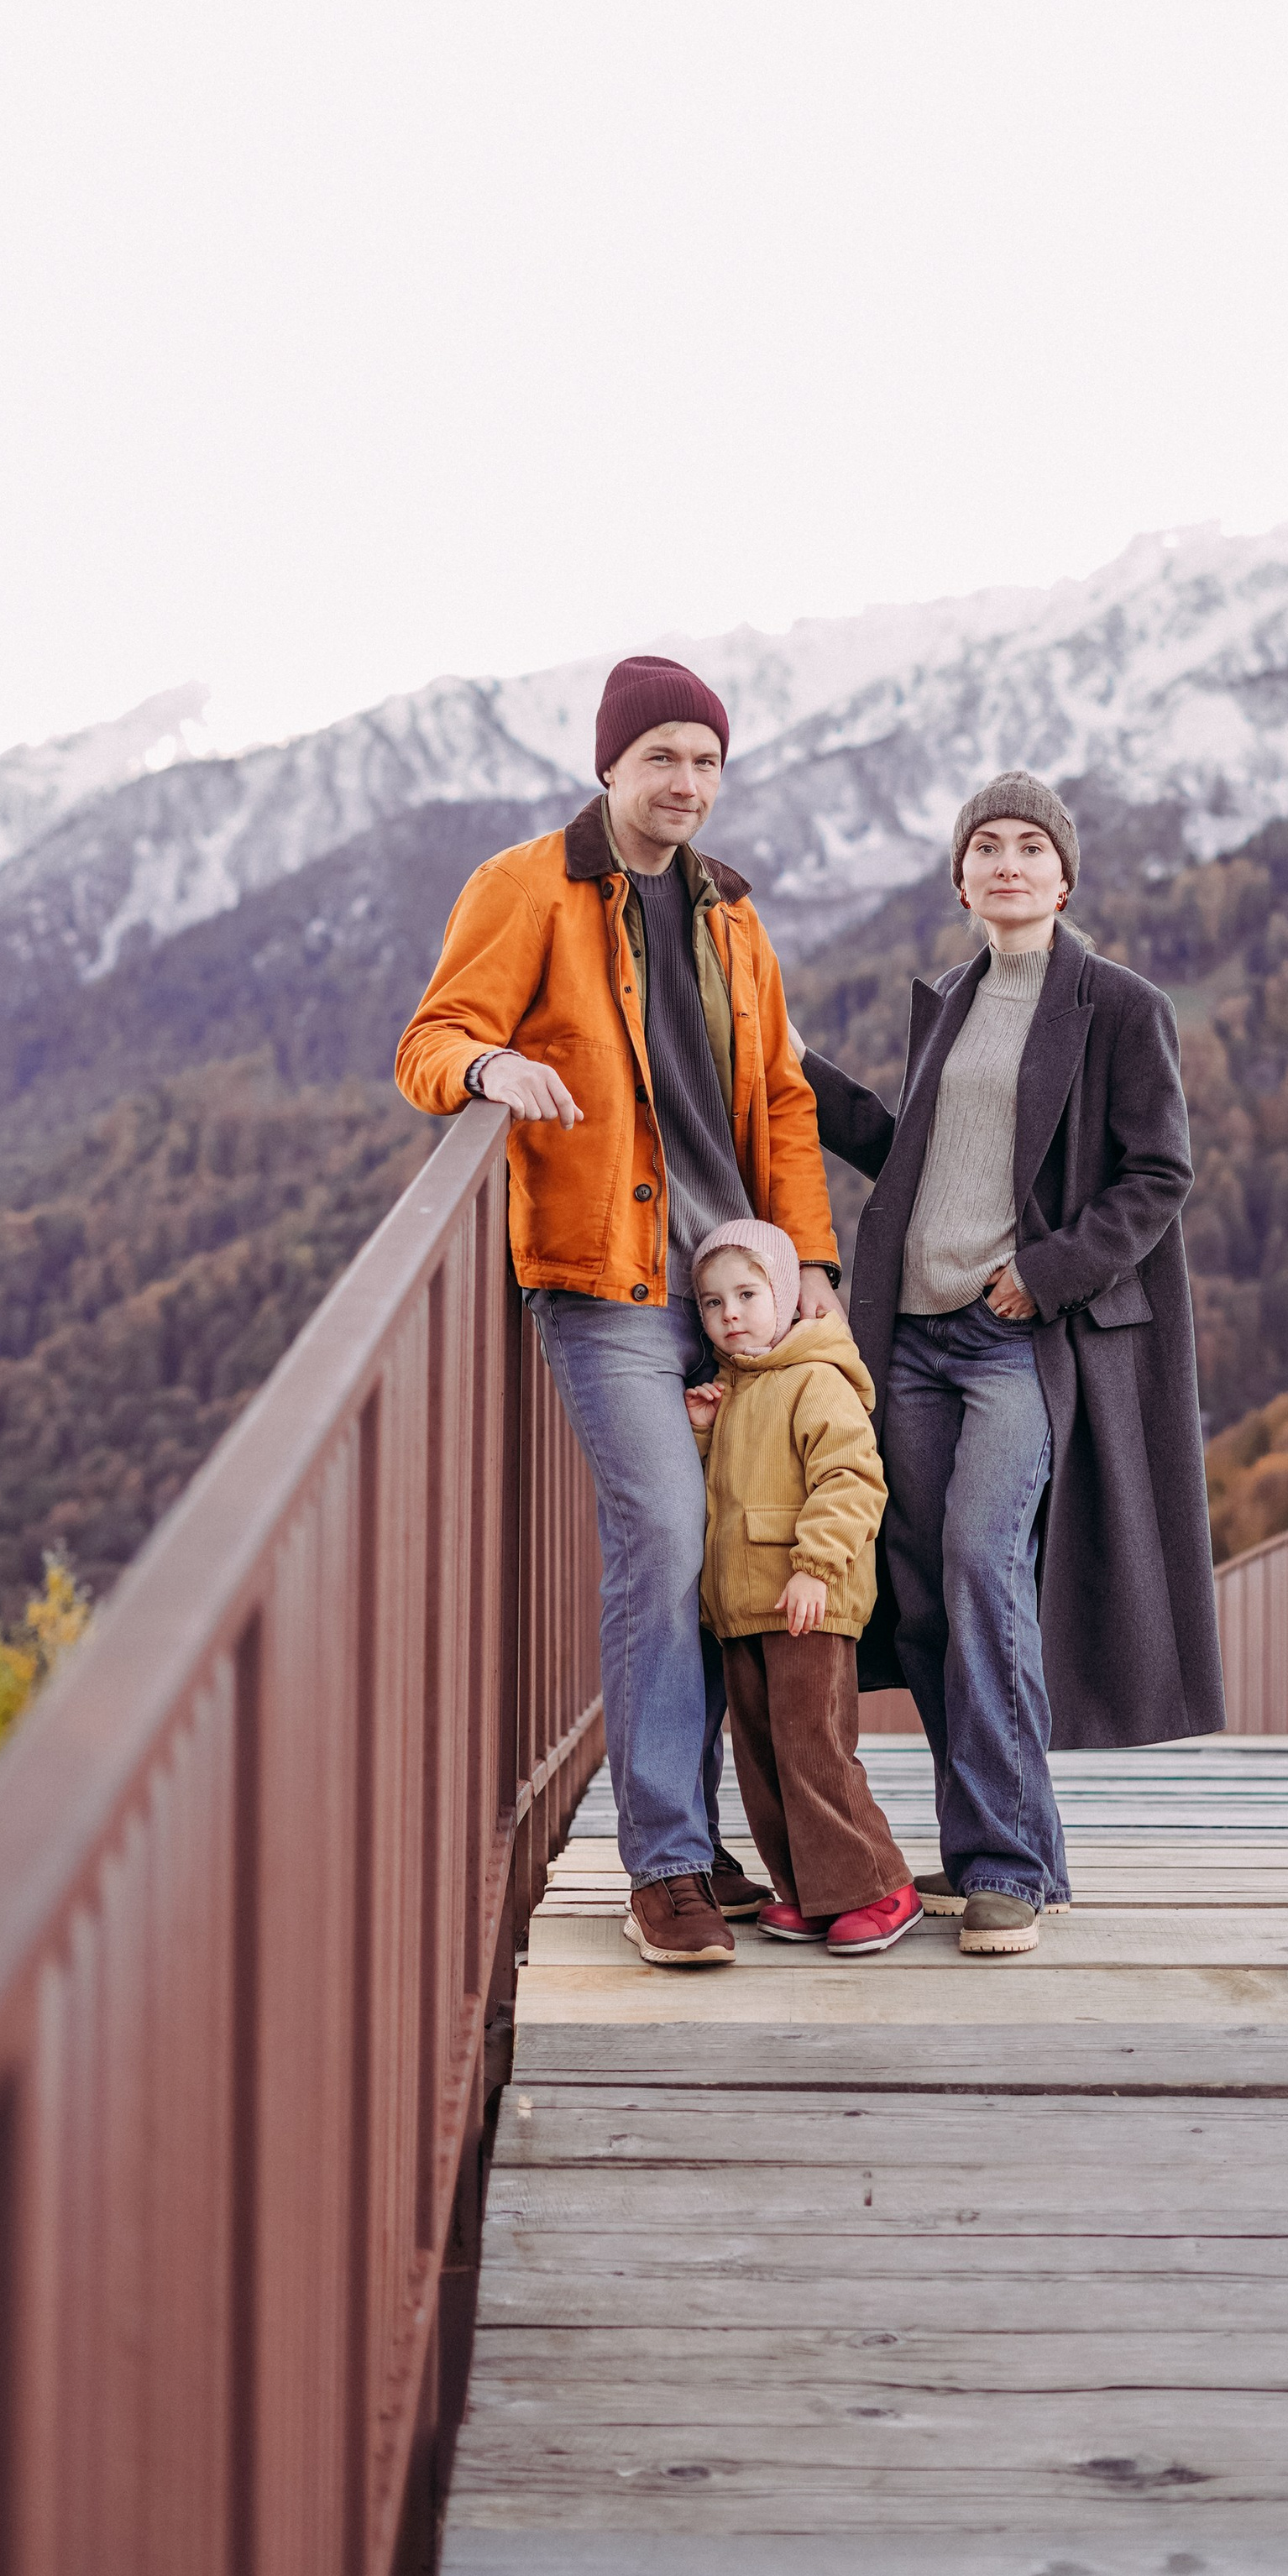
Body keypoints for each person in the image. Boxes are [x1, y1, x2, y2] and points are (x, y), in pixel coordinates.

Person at [395, 653, 843, 1969]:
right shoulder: (525, 885)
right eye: (663, 759)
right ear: (610, 766)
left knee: (737, 1562)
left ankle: (731, 1845)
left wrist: (808, 1259)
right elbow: (430, 1039)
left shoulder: (730, 919)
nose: (687, 783)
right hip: (606, 1286)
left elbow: (783, 1104)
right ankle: (663, 1869)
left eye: (706, 762)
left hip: (738, 1293)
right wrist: (490, 1064)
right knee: (662, 1534)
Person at [801, 771, 1227, 1957]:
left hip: (1014, 1343)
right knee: (930, 1593)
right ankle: (1009, 1850)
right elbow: (911, 1154)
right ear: (961, 878)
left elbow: (1159, 1176)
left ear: (1063, 875)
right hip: (915, 1337)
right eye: (984, 846)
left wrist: (1048, 1272)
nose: (1006, 863)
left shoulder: (1120, 1005)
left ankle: (1004, 1869)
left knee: (988, 1568)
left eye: (1029, 847)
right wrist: (802, 1075)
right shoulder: (951, 998)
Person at [683, 1218, 921, 1955]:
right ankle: (811, 1893)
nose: (730, 1315)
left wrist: (817, 1567)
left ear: (786, 1297)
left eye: (748, 1294)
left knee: (814, 1748)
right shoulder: (732, 1391)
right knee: (762, 1756)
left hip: (807, 1599)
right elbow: (720, 1495)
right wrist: (698, 1434)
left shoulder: (816, 1380)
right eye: (712, 1302)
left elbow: (852, 1478)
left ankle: (881, 1888)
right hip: (742, 1607)